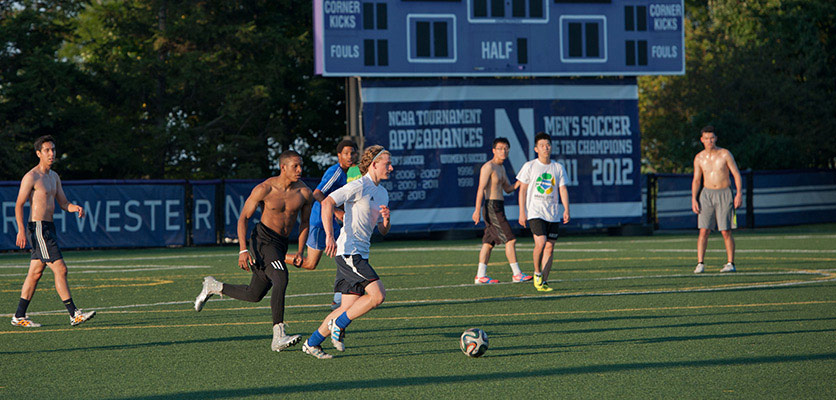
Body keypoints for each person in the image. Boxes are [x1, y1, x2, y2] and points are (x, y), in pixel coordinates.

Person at [194, 150, 313, 352]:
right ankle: (278, 335)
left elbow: (305, 223)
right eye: (295, 166)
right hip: (263, 240)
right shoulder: (264, 189)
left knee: (254, 294)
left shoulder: (304, 193)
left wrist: (301, 251)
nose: (300, 170)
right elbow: (243, 219)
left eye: (301, 165)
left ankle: (214, 286)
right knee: (281, 278)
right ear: (283, 167)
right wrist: (242, 250)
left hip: (281, 243)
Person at [301, 145, 392, 359]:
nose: (391, 167)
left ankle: (312, 343)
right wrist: (329, 235)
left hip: (361, 253)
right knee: (378, 296)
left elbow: (382, 230)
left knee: (346, 307)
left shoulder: (383, 193)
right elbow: (327, 202)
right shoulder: (359, 185)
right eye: (387, 163)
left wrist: (386, 220)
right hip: (349, 252)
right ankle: (339, 326)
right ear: (374, 165)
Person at [11, 135, 96, 327]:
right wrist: (21, 230)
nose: (52, 154)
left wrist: (74, 207)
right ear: (38, 153)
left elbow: (63, 203)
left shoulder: (54, 176)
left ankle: (19, 315)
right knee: (61, 268)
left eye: (53, 150)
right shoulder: (31, 176)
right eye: (47, 150)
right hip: (38, 228)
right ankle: (74, 313)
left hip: (49, 227)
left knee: (35, 273)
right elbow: (18, 204)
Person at [285, 139, 358, 310]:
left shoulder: (353, 172)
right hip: (320, 221)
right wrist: (336, 211)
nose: (350, 156)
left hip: (334, 223)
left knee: (346, 252)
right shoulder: (336, 172)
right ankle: (277, 256)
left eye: (353, 152)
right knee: (310, 264)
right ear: (339, 155)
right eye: (347, 153)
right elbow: (317, 193)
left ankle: (339, 297)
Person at [471, 138, 531, 284]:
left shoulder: (502, 168)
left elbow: (508, 189)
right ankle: (517, 274)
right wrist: (477, 210)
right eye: (500, 148)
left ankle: (480, 276)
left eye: (506, 149)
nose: (503, 151)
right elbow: (480, 189)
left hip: (498, 207)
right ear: (493, 150)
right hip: (491, 207)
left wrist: (521, 182)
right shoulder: (488, 167)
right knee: (510, 239)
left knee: (488, 243)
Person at [516, 132, 570, 292]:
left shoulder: (558, 167)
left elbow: (562, 189)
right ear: (536, 149)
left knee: (550, 247)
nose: (546, 148)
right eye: (542, 146)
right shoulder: (530, 166)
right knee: (540, 243)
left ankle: (544, 281)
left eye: (548, 145)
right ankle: (537, 272)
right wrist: (522, 212)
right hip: (535, 212)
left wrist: (566, 209)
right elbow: (522, 191)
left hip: (552, 213)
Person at [691, 125, 743, 273]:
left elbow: (736, 174)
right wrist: (694, 198)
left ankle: (730, 263)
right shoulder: (699, 157)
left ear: (716, 138)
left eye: (712, 138)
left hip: (724, 193)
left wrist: (738, 194)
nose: (709, 141)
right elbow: (696, 180)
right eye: (706, 138)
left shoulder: (725, 154)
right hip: (706, 194)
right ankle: (700, 263)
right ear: (702, 140)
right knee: (703, 230)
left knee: (725, 230)